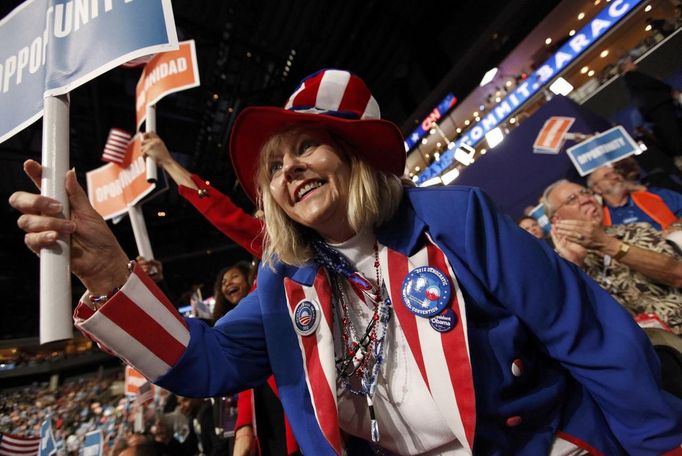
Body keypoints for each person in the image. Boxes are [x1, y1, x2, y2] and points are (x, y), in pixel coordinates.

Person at [10, 69, 682, 454]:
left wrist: (660, 447)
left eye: (304, 146)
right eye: (274, 165)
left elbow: (591, 339)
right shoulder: (282, 278)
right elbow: (206, 363)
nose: (288, 169)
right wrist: (107, 274)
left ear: (355, 157)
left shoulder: (456, 218)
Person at [543, 178, 682, 334]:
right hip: (639, 350)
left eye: (585, 192)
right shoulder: (558, 267)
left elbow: (677, 274)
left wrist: (608, 244)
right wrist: (575, 266)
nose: (585, 199)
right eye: (572, 199)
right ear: (557, 219)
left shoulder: (636, 231)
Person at [587, 164, 682, 231]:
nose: (615, 176)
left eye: (615, 172)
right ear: (597, 188)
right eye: (607, 176)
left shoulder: (653, 195)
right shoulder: (601, 218)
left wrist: (673, 229)